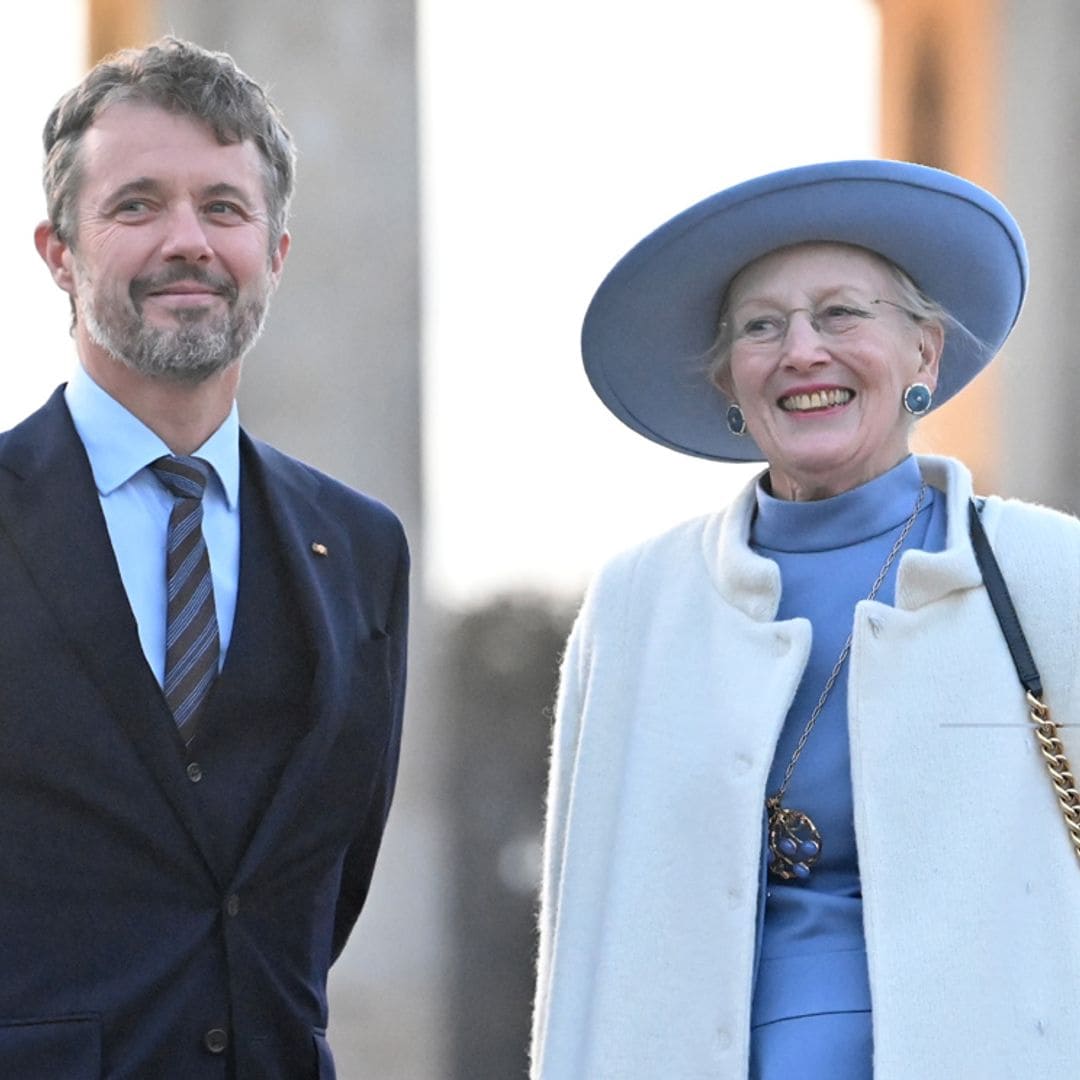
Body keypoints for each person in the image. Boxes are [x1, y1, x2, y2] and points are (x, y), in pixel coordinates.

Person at [530, 160, 1080, 1079]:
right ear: (729, 384)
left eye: (841, 314)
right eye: (762, 327)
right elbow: (580, 937)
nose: (802, 351)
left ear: (925, 355)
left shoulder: (1049, 575)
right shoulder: (636, 605)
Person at [0, 37, 408, 1079]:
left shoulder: (361, 552)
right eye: (136, 206)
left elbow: (326, 885)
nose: (188, 241)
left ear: (273, 253)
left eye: (223, 209)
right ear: (59, 254)